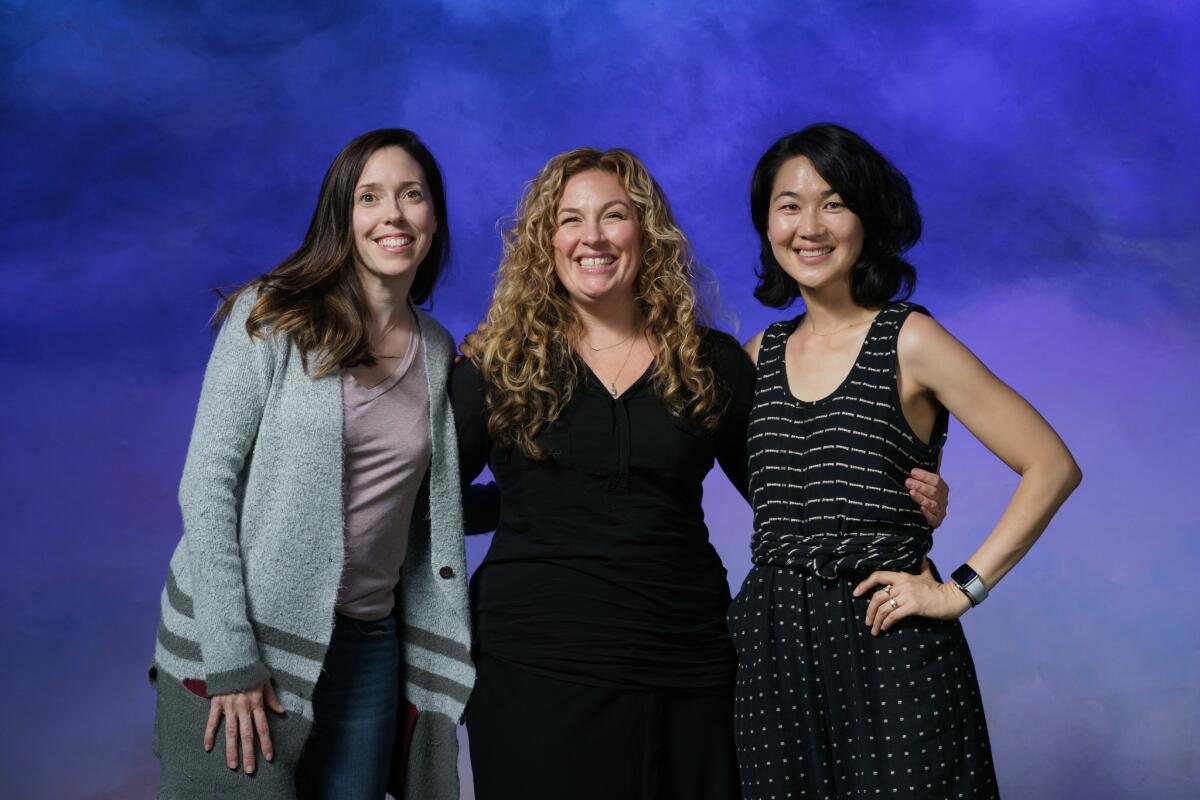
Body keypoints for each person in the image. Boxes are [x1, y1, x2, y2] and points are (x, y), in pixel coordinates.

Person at [451, 146, 949, 799]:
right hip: (536, 663)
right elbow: (425, 503)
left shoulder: (708, 361)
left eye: (614, 216)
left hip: (689, 665)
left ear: (646, 232)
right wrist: (518, 503)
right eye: (569, 220)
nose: (592, 237)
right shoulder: (496, 364)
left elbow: (789, 494)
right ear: (545, 240)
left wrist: (899, 506)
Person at [729, 123, 1082, 798]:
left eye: (833, 202)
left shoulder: (909, 339)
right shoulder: (755, 357)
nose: (810, 225)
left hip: (890, 647)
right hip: (772, 657)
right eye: (789, 204)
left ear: (867, 217)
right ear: (766, 224)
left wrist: (958, 590)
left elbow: (1051, 465)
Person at [149, 128, 473, 800]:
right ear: (343, 217)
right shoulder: (272, 317)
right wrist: (232, 659)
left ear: (434, 218)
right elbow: (205, 487)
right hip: (250, 634)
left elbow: (416, 503)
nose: (393, 215)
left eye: (412, 196)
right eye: (370, 197)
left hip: (369, 646)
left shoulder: (438, 353)